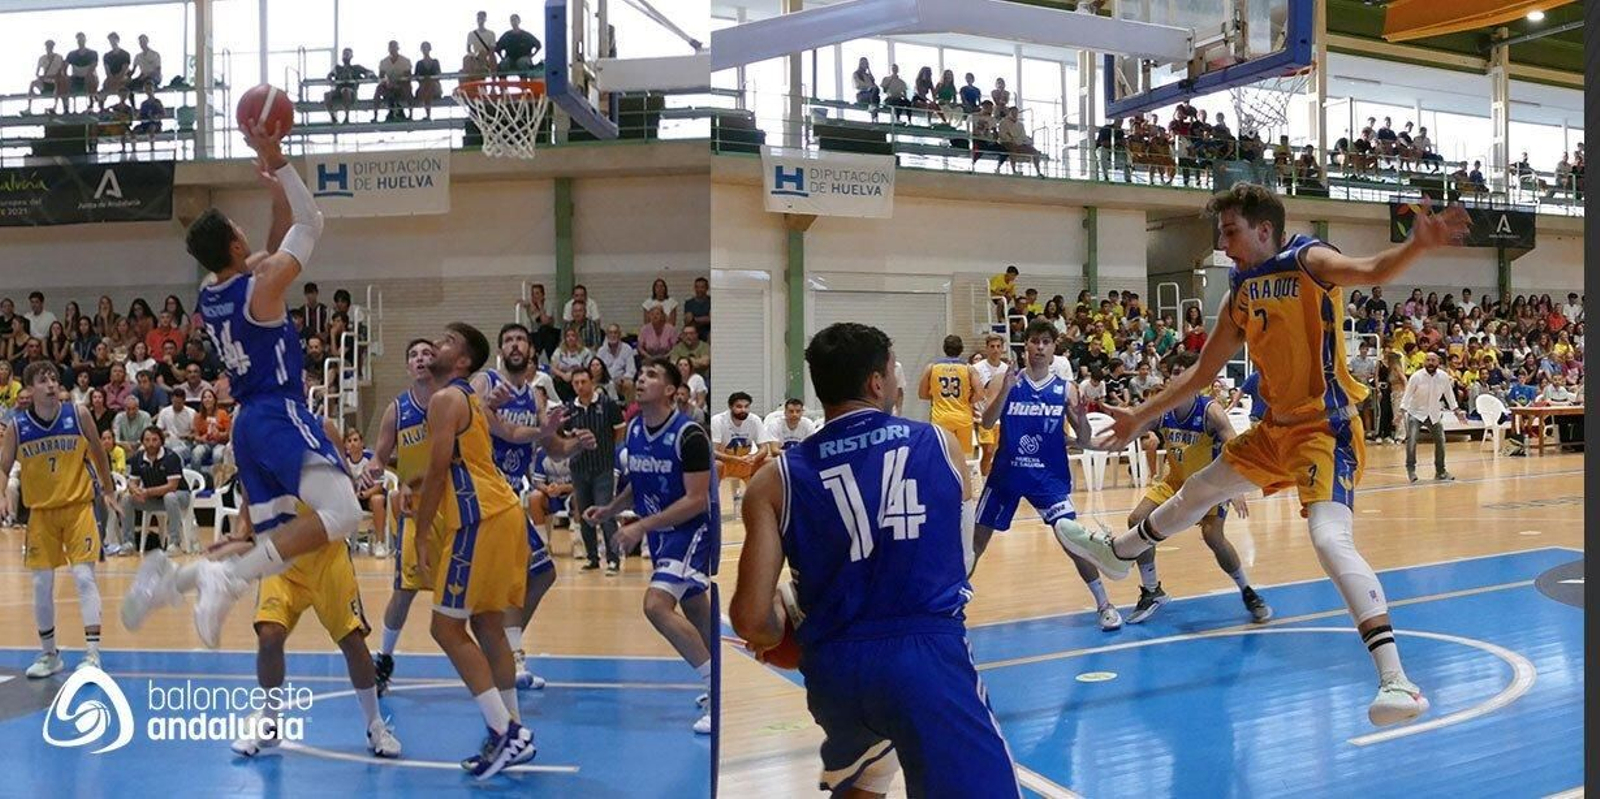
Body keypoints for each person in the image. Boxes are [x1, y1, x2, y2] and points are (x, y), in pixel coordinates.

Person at [1061, 182, 1470, 728]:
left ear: (1264, 229)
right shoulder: (1239, 293)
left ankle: (1397, 681)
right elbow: (1203, 374)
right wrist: (1142, 416)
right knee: (1200, 488)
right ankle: (1120, 552)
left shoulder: (1309, 259)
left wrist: (1417, 246)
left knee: (1328, 538)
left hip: (1325, 430)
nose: (1223, 244)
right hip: (1274, 430)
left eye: (1230, 232)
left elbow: (1372, 269)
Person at [731, 322, 1021, 796]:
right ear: (877, 382)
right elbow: (962, 559)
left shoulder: (773, 480)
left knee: (864, 779)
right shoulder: (939, 445)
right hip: (924, 660)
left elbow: (749, 620)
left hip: (834, 674)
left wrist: (789, 621)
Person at [119, 121, 353, 651]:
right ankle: (223, 579)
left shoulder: (211, 292)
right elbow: (311, 222)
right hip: (276, 409)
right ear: (233, 240)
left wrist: (275, 195)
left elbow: (272, 246)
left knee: (282, 543)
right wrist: (280, 159)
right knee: (344, 510)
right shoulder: (263, 286)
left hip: (246, 425)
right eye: (236, 227)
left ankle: (179, 579)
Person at [413, 322, 581, 778]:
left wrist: (421, 530)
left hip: (478, 518)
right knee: (487, 624)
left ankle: (505, 732)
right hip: (505, 511)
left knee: (445, 630)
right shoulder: (471, 400)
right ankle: (513, 729)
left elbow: (435, 470)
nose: (435, 345)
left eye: (446, 341)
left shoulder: (448, 399)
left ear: (464, 360)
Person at [229, 418, 402, 760]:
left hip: (326, 553)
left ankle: (375, 725)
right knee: (269, 635)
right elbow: (250, 486)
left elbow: (345, 486)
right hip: (282, 553)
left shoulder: (322, 428)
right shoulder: (254, 428)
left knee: (352, 641)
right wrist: (241, 529)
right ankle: (270, 721)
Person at [584, 357, 716, 735]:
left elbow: (696, 500)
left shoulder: (690, 435)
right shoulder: (635, 430)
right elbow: (638, 483)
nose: (641, 379)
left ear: (672, 391)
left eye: (652, 375)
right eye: (640, 374)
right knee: (695, 609)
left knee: (656, 606)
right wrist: (611, 508)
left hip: (691, 531)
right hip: (663, 533)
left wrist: (639, 526)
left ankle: (715, 689)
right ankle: (723, 680)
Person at [976, 320, 1121, 629]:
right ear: (1024, 346)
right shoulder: (1005, 380)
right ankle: (948, 610)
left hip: (1048, 478)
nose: (1040, 347)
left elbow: (1082, 439)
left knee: (1072, 540)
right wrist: (1005, 390)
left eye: (1046, 342)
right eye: (1034, 341)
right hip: (1007, 474)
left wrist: (1081, 417)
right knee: (976, 542)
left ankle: (1104, 604)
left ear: (1054, 349)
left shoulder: (1065, 389)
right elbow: (987, 424)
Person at [1118, 352, 1270, 624]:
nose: (1175, 377)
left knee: (1214, 537)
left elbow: (1235, 448)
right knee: (1136, 520)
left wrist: (1235, 489)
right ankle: (1152, 591)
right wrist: (1088, 439)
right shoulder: (1161, 410)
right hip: (1175, 481)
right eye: (1172, 371)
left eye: (1182, 372)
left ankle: (1247, 590)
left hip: (1210, 485)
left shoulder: (1210, 411)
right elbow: (1129, 431)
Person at [472, 322, 583, 689]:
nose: (515, 345)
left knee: (541, 573)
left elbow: (552, 447)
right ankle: (508, 655)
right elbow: (507, 433)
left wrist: (576, 444)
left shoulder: (534, 396)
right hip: (483, 493)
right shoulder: (486, 383)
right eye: (508, 340)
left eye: (520, 339)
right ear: (501, 351)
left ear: (531, 350)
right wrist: (544, 430)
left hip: (508, 496)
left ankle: (508, 651)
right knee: (517, 579)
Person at [0, 362, 118, 677]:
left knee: (83, 577)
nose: (51, 384)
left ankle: (92, 654)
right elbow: (3, 466)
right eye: (42, 380)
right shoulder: (17, 426)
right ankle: (50, 655)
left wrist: (108, 489)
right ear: (28, 389)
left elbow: (98, 451)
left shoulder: (78, 415)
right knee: (41, 584)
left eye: (53, 378)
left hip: (78, 507)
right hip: (40, 513)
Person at [365, 339, 447, 696]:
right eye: (414, 355)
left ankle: (503, 655)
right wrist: (372, 469)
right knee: (405, 590)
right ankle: (384, 657)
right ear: (408, 366)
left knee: (469, 588)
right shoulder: (397, 409)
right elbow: (379, 457)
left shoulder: (452, 402)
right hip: (414, 511)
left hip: (453, 506)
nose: (421, 359)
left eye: (428, 353)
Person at [564, 368, 625, 573]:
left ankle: (613, 558)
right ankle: (592, 557)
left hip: (603, 468)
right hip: (578, 468)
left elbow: (619, 431)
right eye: (576, 383)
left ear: (592, 382)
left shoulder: (607, 404)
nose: (580, 386)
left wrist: (606, 451)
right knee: (585, 514)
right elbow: (566, 439)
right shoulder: (569, 409)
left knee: (605, 512)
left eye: (583, 381)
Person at [1399, 352, 1464, 483]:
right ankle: (1411, 470)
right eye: (1428, 360)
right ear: (1424, 362)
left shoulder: (1444, 377)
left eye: (1433, 360)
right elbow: (1407, 395)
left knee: (1441, 441)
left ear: (1438, 362)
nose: (1430, 363)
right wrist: (1400, 413)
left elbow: (1449, 396)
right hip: (1416, 413)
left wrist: (1457, 411)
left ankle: (1441, 471)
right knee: (1411, 441)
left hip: (1434, 414)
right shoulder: (1416, 377)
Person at [919, 335, 982, 458]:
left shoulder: (932, 367)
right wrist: (968, 400)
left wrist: (937, 397)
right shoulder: (969, 369)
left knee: (941, 457)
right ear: (961, 349)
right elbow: (980, 394)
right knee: (963, 459)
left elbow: (922, 394)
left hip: (940, 418)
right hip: (963, 418)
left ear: (944, 349)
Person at [712, 391, 775, 504]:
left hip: (746, 462)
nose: (743, 410)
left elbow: (764, 448)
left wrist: (754, 457)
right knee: (716, 465)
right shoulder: (718, 421)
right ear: (730, 407)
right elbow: (713, 452)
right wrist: (733, 459)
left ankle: (764, 502)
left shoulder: (754, 420)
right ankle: (712, 503)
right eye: (739, 407)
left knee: (770, 462)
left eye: (746, 407)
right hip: (726, 463)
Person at [972, 333, 1009, 476]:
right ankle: (984, 477)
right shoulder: (977, 368)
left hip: (1001, 417)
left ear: (1002, 349)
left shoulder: (1006, 369)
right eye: (992, 346)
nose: (995, 349)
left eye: (998, 346)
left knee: (1001, 450)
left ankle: (996, 480)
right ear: (986, 349)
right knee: (987, 450)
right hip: (984, 416)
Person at [324, 48, 374, 125]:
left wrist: (369, 76)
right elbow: (330, 75)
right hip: (338, 91)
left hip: (351, 92)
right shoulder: (338, 68)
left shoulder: (356, 68)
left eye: (347, 54)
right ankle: (333, 117)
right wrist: (329, 78)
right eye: (344, 54)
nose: (345, 57)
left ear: (351, 56)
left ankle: (347, 117)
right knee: (327, 95)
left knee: (345, 90)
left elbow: (369, 72)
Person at [29, 39, 66, 114]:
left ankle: (55, 107)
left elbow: (62, 72)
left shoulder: (59, 57)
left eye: (50, 46)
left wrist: (51, 77)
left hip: (55, 82)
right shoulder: (42, 58)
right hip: (45, 82)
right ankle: (29, 108)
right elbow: (37, 72)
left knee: (58, 83)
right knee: (33, 83)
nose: (49, 47)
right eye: (48, 46)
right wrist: (40, 77)